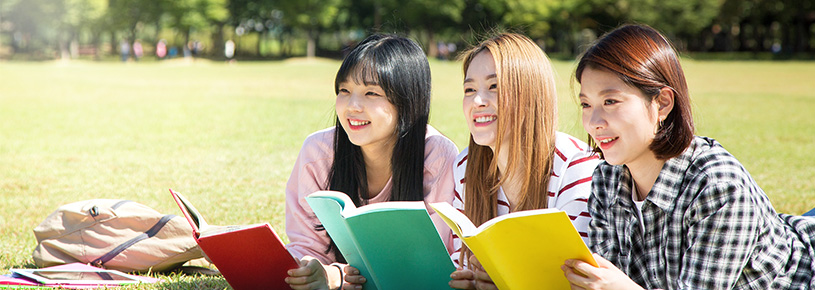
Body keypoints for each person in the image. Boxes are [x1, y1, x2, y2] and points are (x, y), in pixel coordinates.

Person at [562, 24, 815, 289]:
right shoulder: (607, 179)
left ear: (662, 103)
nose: (594, 122)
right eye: (586, 104)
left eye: (610, 101)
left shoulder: (717, 186)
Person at [284, 34, 459, 290]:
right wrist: (315, 270)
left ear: (407, 102)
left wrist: (341, 276)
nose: (353, 106)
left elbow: (435, 263)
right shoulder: (318, 152)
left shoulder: (437, 157)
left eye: (371, 93)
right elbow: (306, 246)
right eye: (344, 90)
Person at [447, 33, 600, 289]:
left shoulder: (575, 166)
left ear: (529, 93)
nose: (477, 101)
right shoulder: (465, 165)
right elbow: (458, 262)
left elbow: (578, 278)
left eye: (494, 87)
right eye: (469, 89)